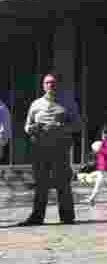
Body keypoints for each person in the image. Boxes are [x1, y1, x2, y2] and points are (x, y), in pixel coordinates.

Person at [19, 75, 82, 226]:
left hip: (60, 149)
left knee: (62, 182)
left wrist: (61, 127)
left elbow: (78, 125)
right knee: (41, 183)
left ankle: (67, 217)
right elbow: (27, 126)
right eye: (47, 83)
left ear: (58, 85)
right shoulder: (36, 104)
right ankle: (37, 217)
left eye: (53, 83)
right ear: (43, 86)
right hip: (40, 149)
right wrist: (32, 128)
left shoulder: (68, 103)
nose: (50, 85)